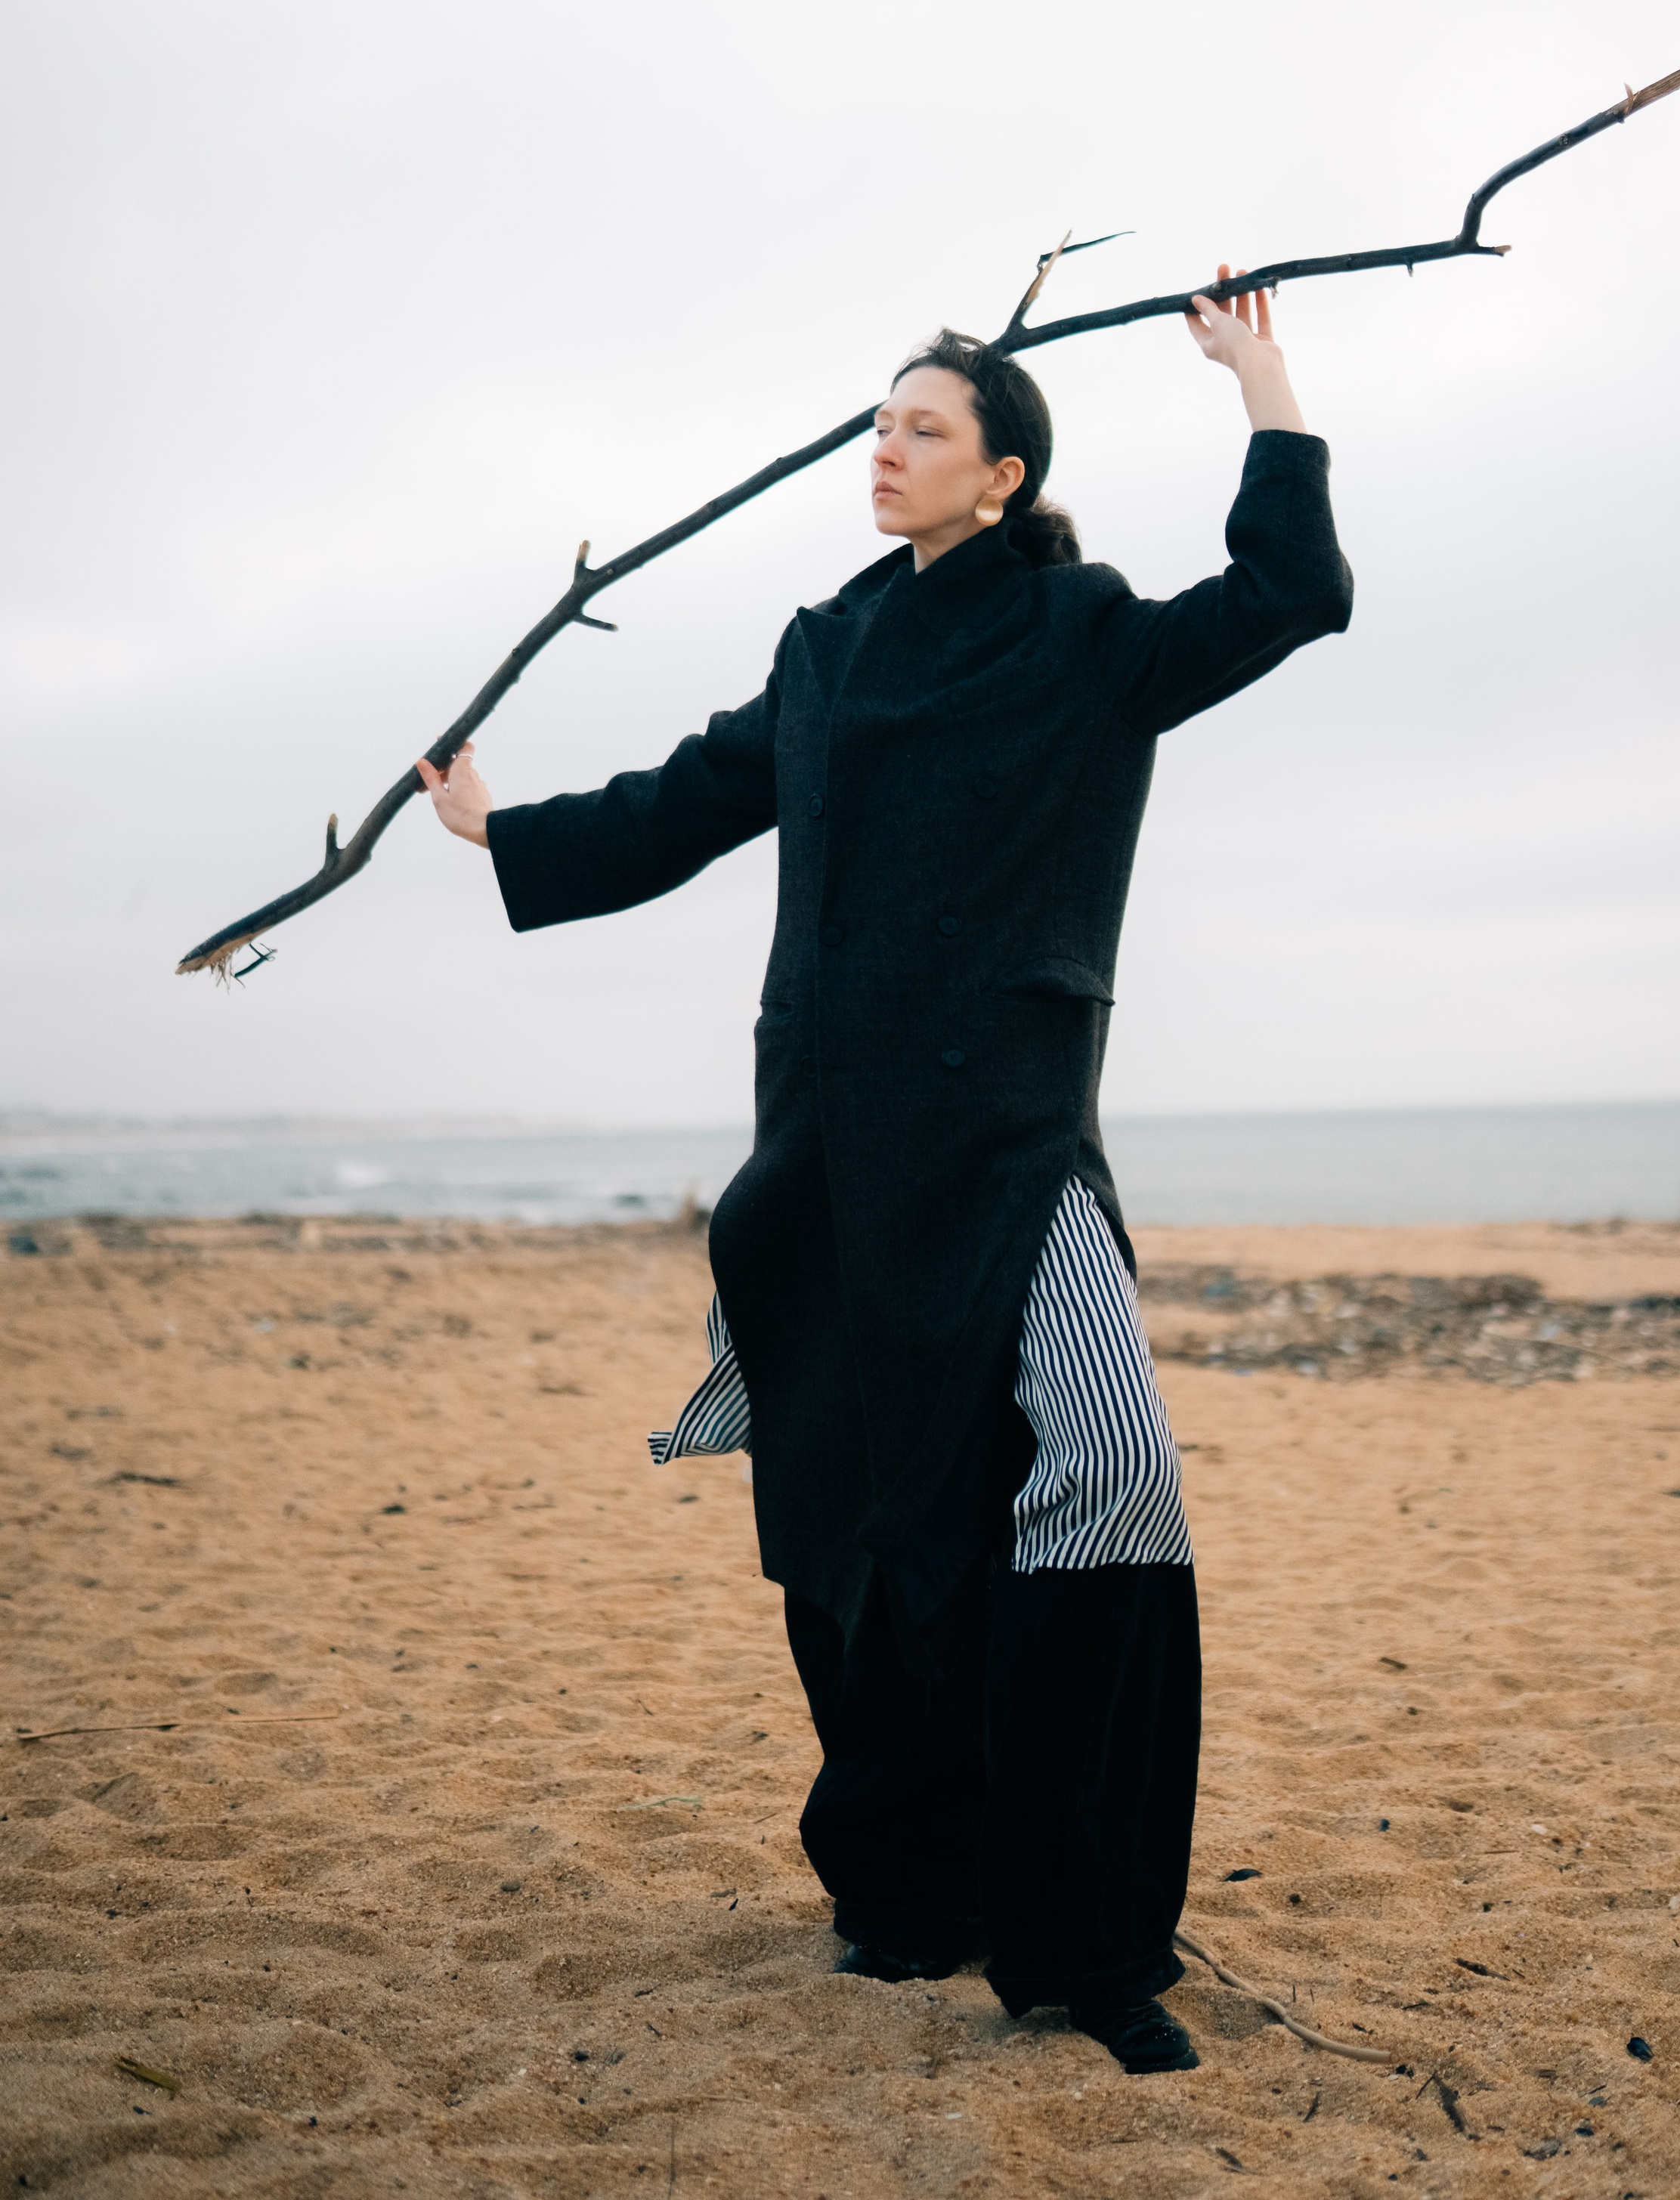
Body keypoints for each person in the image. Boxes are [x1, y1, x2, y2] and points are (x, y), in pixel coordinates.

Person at [418, 270, 1352, 2072]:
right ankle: (908, 1896)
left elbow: (1290, 595)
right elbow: (689, 801)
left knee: (1109, 1474)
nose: (885, 448)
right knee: (858, 1531)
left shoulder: (1087, 636)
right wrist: (497, 831)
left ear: (1000, 477)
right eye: (879, 422)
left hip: (1009, 1151)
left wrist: (1265, 384)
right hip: (831, 1154)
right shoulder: (824, 653)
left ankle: (1087, 1950)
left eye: (923, 428)